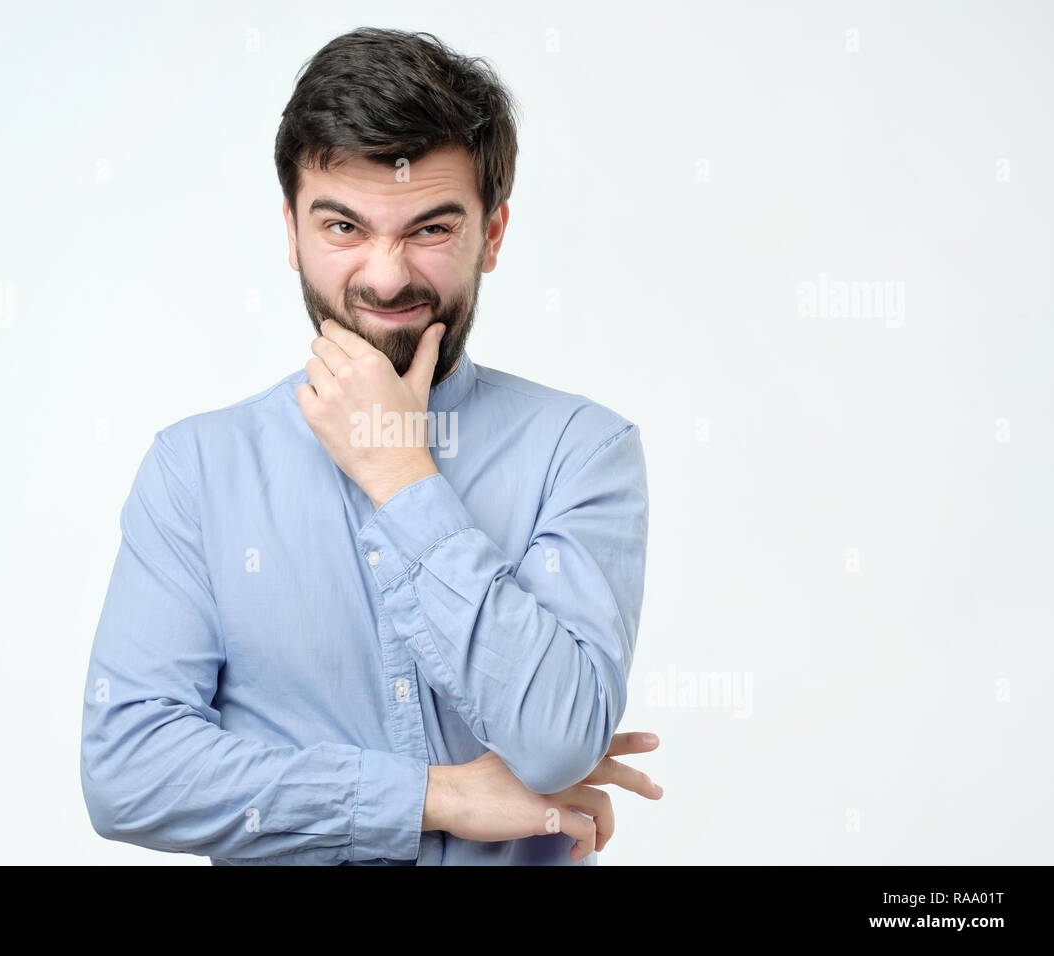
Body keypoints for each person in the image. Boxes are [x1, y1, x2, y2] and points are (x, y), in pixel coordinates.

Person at [80, 26, 661, 865]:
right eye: (344, 226)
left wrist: (400, 474)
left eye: (430, 229)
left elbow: (558, 740)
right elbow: (130, 774)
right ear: (291, 231)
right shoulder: (196, 471)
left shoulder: (582, 451)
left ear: (493, 235)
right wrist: (437, 797)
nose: (386, 277)